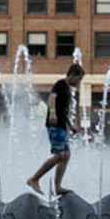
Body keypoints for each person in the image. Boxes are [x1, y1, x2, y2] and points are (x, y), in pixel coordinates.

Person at [27, 63, 83, 197]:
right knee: (59, 155)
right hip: (54, 125)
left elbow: (64, 111)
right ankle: (34, 179)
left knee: (66, 155)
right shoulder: (60, 84)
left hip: (62, 125)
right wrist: (52, 113)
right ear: (72, 75)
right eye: (79, 78)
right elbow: (52, 99)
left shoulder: (68, 90)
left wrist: (71, 126)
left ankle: (57, 187)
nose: (79, 82)